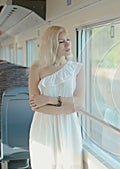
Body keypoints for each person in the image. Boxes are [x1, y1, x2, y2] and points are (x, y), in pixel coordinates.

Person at [28, 25, 85, 169]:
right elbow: (35, 105)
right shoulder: (37, 69)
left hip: (68, 126)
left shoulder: (77, 68)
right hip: (43, 126)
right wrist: (66, 107)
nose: (68, 44)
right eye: (61, 42)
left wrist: (48, 100)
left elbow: (78, 103)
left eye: (68, 40)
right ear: (51, 45)